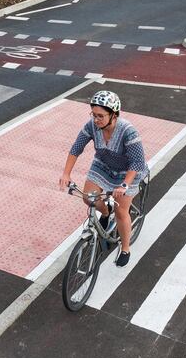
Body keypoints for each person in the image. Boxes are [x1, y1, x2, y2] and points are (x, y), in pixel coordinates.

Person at [59, 90, 149, 267]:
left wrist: (124, 184)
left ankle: (125, 248)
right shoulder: (92, 126)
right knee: (88, 198)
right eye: (93, 114)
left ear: (114, 114)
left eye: (100, 116)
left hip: (128, 172)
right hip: (103, 165)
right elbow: (76, 147)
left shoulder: (128, 131)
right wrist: (66, 173)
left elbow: (138, 162)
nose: (96, 119)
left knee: (122, 211)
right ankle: (106, 213)